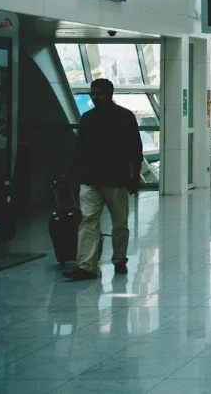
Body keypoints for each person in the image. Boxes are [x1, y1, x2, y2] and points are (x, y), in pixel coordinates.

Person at [61, 78, 142, 280]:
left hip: (116, 180)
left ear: (110, 94)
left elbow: (135, 149)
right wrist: (70, 174)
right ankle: (86, 265)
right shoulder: (87, 118)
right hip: (90, 180)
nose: (95, 97)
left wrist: (134, 177)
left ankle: (119, 259)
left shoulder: (125, 117)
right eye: (93, 94)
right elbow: (79, 150)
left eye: (99, 94)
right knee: (88, 221)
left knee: (120, 223)